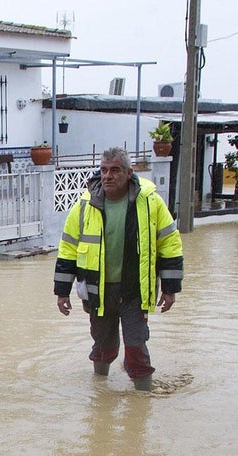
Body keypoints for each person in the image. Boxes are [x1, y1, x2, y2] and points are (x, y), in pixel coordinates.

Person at [53, 146, 184, 391]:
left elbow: (169, 243)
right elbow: (68, 248)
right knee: (103, 346)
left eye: (115, 170)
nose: (108, 176)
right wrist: (62, 292)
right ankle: (99, 391)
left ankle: (143, 400)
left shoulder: (150, 202)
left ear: (128, 173)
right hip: (98, 291)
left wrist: (170, 288)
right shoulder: (85, 205)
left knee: (136, 348)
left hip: (135, 290)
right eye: (104, 170)